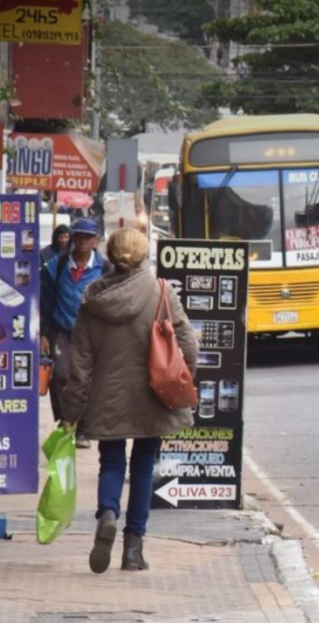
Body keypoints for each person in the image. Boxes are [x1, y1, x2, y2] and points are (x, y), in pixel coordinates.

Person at [61, 228, 198, 574]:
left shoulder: (93, 299)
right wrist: (183, 380)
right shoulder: (162, 292)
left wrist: (71, 414)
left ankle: (107, 512)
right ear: (142, 255)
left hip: (107, 397)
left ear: (110, 255)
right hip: (154, 395)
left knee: (111, 463)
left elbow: (79, 365)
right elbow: (190, 346)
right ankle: (133, 549)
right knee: (142, 466)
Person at [41, 218, 112, 448]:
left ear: (95, 240)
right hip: (62, 331)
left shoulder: (106, 269)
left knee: (87, 380)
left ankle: (82, 429)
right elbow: (45, 301)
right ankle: (66, 422)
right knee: (61, 376)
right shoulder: (57, 265)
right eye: (78, 236)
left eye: (86, 237)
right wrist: (43, 333)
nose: (81, 241)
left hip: (93, 334)